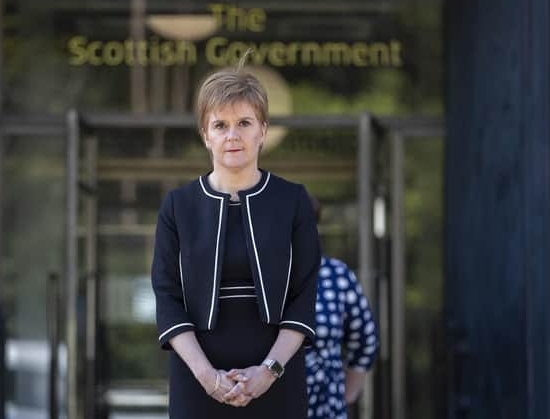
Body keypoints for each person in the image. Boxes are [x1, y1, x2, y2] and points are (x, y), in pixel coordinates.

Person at [151, 58, 321, 419]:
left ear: (263, 130)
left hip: (276, 373)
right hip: (196, 376)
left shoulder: (293, 201)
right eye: (220, 125)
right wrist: (207, 377)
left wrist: (268, 371)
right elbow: (167, 296)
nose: (233, 135)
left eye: (244, 123)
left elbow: (304, 295)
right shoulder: (178, 206)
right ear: (205, 134)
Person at [305, 197, 379, 419]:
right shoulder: (254, 275)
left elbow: (365, 340)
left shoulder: (336, 274)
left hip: (325, 404)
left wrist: (346, 393)